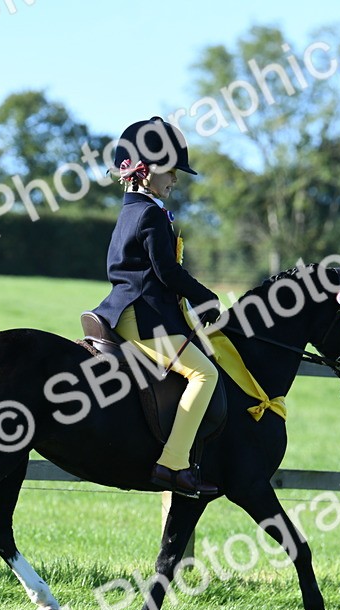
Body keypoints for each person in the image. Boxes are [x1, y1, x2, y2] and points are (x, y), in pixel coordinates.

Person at [91, 116, 221, 498]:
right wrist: (205, 297)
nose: (175, 180)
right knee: (205, 375)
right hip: (143, 319)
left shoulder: (131, 210)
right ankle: (174, 463)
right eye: (171, 171)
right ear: (146, 172)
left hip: (128, 311)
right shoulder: (149, 214)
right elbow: (166, 272)